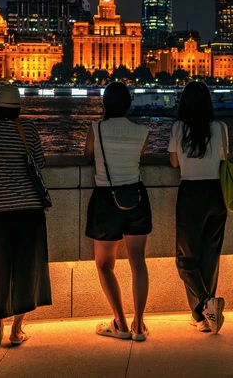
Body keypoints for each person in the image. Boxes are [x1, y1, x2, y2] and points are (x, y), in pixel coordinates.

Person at [0, 85, 51, 346]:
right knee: (25, 268)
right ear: (18, 109)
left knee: (0, 267)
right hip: (29, 208)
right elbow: (39, 162)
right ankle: (16, 330)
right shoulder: (27, 127)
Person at [84, 81, 151, 341]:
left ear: (104, 104)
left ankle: (120, 324)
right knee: (138, 262)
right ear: (129, 105)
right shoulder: (142, 131)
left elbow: (88, 157)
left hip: (105, 198)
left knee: (104, 264)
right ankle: (139, 326)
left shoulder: (96, 128)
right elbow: (138, 156)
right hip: (135, 197)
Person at [168, 81, 227, 334]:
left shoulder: (179, 127)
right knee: (210, 257)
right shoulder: (220, 127)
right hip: (217, 194)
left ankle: (204, 302)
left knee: (186, 259)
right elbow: (224, 159)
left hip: (191, 194)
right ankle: (202, 317)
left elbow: (174, 163)